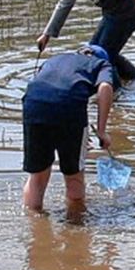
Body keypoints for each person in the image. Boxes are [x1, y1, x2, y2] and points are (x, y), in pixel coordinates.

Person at [22, 44, 114, 216]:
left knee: (37, 176)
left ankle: (34, 222)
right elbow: (105, 88)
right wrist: (101, 131)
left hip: (33, 104)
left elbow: (48, 85)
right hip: (69, 106)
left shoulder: (55, 58)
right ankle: (75, 224)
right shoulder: (101, 64)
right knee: (73, 175)